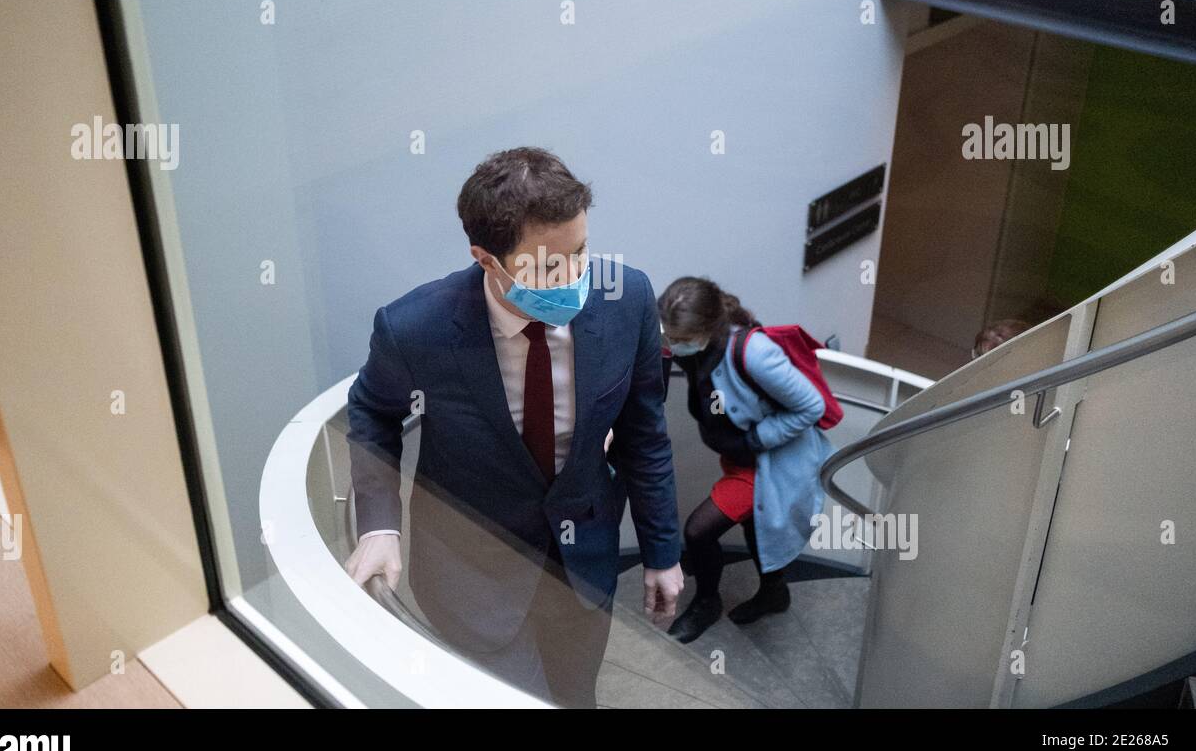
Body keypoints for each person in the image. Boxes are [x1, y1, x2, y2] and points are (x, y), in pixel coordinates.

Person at [342, 146, 684, 707]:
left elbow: (644, 435)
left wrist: (662, 551)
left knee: (577, 696)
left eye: (581, 253)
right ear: (486, 259)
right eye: (549, 267)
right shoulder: (416, 329)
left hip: (583, 565)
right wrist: (379, 523)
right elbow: (373, 413)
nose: (574, 277)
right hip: (471, 568)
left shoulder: (629, 300)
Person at [657, 277, 834, 643]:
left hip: (767, 463)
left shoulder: (754, 353)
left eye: (680, 339)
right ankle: (774, 593)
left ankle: (707, 602)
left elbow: (811, 406)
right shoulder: (695, 345)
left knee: (698, 530)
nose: (673, 345)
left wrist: (755, 439)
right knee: (756, 526)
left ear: (708, 328)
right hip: (738, 457)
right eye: (668, 335)